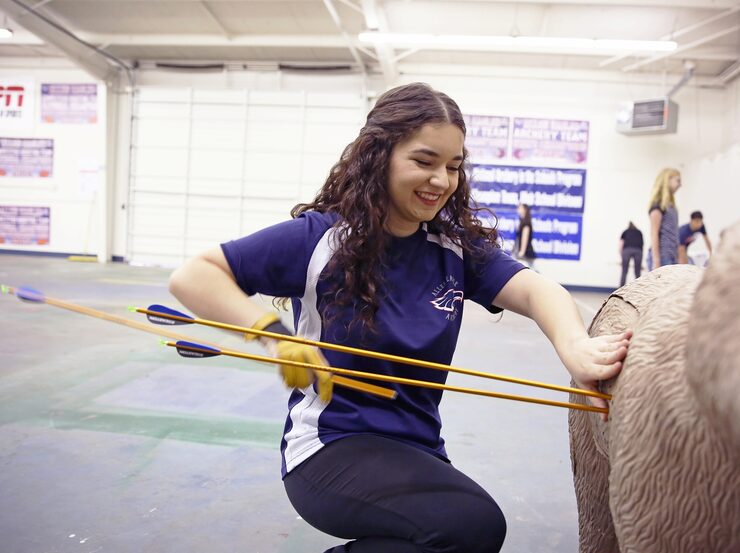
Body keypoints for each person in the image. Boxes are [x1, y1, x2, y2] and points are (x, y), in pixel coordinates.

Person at [168, 82, 630, 553]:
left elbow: (536, 290)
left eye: (453, 167)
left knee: (457, 538)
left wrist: (574, 346)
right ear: (380, 155)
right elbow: (195, 275)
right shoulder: (322, 239)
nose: (441, 181)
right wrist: (272, 335)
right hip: (330, 446)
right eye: (424, 162)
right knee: (471, 526)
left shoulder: (453, 249)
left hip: (416, 448)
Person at [647, 167, 681, 270]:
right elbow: (654, 234)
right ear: (667, 180)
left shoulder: (671, 206)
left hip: (671, 255)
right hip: (662, 257)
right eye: (678, 180)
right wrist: (656, 261)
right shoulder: (658, 206)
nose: (680, 185)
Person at [619, 221, 643, 286]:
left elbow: (621, 244)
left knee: (624, 271)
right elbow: (642, 245)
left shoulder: (625, 231)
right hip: (638, 251)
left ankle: (620, 290)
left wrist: (622, 255)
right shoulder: (639, 232)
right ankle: (639, 289)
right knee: (637, 272)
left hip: (627, 250)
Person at [513, 203, 537, 269]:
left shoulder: (526, 223)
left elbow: (524, 238)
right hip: (522, 251)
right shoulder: (521, 222)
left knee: (533, 270)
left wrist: (522, 252)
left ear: (524, 210)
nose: (518, 210)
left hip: (527, 252)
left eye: (520, 208)